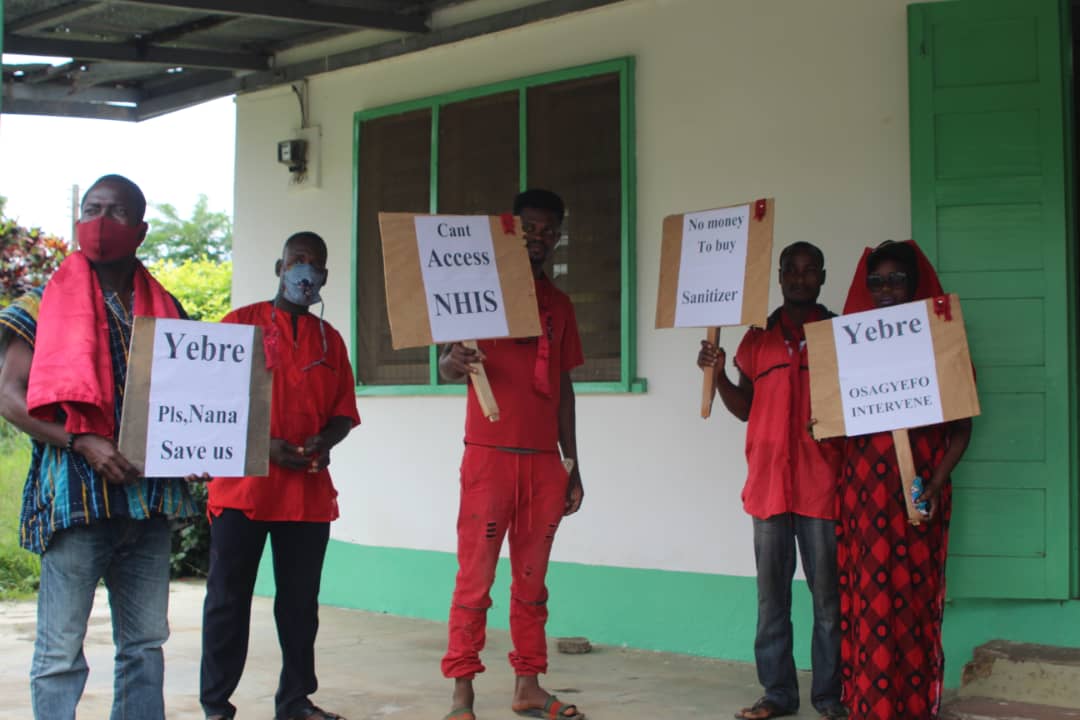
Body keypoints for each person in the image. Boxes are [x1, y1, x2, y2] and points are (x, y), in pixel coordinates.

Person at [0, 174, 197, 720]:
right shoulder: (40, 305)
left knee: (145, 647)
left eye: (115, 211)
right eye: (92, 208)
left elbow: (196, 397)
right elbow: (9, 396)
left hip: (149, 503)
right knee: (60, 652)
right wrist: (81, 440)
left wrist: (204, 447)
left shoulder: (170, 311)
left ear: (140, 230)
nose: (101, 221)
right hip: (76, 504)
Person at [199, 231, 360, 720]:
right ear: (279, 266)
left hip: (307, 496)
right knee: (227, 602)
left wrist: (325, 441)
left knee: (299, 607)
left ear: (325, 277)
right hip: (242, 491)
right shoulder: (237, 327)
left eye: (314, 263)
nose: (304, 270)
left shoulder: (331, 341)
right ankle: (215, 706)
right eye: (296, 260)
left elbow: (343, 412)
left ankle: (295, 701)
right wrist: (261, 448)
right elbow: (208, 406)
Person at [438, 189, 586, 720]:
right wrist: (454, 358)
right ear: (509, 231)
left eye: (548, 230)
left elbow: (565, 387)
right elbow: (447, 367)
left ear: (557, 236)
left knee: (532, 582)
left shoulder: (561, 306)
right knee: (474, 579)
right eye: (529, 228)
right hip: (489, 457)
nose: (538, 238)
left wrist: (572, 463)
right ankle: (462, 691)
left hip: (544, 462)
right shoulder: (476, 293)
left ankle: (528, 685)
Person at [698, 242, 847, 720]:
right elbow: (745, 408)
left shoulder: (842, 334)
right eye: (791, 271)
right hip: (768, 488)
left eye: (809, 271)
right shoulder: (758, 337)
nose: (800, 279)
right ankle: (778, 695)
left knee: (828, 601)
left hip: (823, 486)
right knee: (771, 601)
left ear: (822, 277)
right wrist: (719, 376)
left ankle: (830, 696)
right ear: (780, 277)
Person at [834, 240, 972, 720]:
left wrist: (933, 484)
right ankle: (870, 707)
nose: (885, 289)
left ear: (914, 284)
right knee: (869, 601)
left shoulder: (941, 345)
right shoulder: (849, 350)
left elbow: (963, 428)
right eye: (876, 281)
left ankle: (913, 706)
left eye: (895, 279)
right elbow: (833, 420)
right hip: (864, 498)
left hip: (918, 493)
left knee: (912, 600)